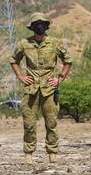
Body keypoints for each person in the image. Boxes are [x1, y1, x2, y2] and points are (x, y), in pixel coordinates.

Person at [10, 12, 72, 164]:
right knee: (29, 123)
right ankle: (29, 153)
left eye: (42, 24)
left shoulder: (55, 43)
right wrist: (21, 77)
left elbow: (68, 60)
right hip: (30, 89)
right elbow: (13, 60)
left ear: (46, 26)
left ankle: (52, 152)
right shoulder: (24, 44)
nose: (40, 26)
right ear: (32, 27)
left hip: (49, 90)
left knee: (51, 123)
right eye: (36, 24)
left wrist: (60, 78)